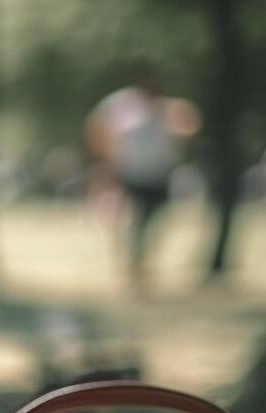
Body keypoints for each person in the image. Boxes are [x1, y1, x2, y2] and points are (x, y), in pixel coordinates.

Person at [85, 65, 201, 293]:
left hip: (159, 173)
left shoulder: (166, 107)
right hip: (133, 173)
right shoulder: (121, 105)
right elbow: (96, 127)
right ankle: (135, 265)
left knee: (155, 219)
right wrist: (107, 160)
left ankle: (141, 261)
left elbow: (191, 124)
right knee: (135, 221)